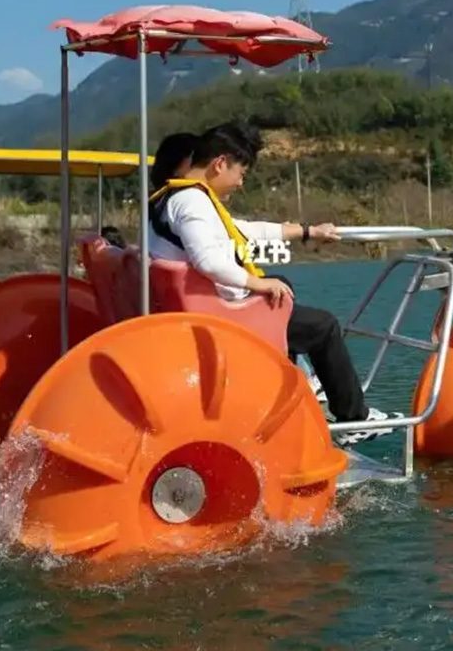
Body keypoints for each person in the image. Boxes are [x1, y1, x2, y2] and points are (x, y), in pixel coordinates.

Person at [148, 121, 401, 444]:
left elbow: (244, 229)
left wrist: (306, 232)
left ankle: (295, 380)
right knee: (322, 326)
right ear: (220, 163)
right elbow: (208, 261)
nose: (240, 183)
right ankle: (354, 418)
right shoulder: (193, 202)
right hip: (223, 319)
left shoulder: (171, 197)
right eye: (241, 173)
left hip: (198, 307)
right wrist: (257, 285)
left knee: (279, 283)